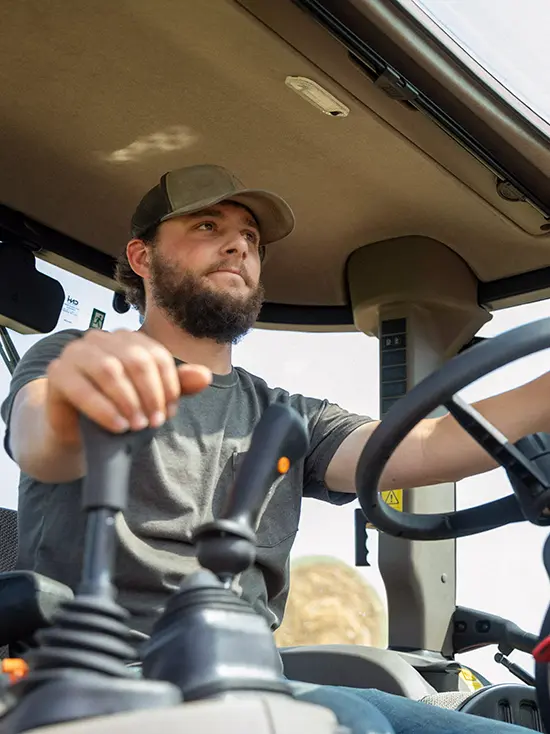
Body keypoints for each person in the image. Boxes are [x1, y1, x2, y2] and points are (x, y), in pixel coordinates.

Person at [2, 164, 545, 734]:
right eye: (208, 226)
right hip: (110, 671)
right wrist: (77, 400)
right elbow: (42, 439)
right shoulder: (76, 358)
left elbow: (423, 444)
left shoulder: (286, 415)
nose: (238, 245)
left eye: (251, 238)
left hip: (251, 671)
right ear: (142, 258)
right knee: (352, 720)